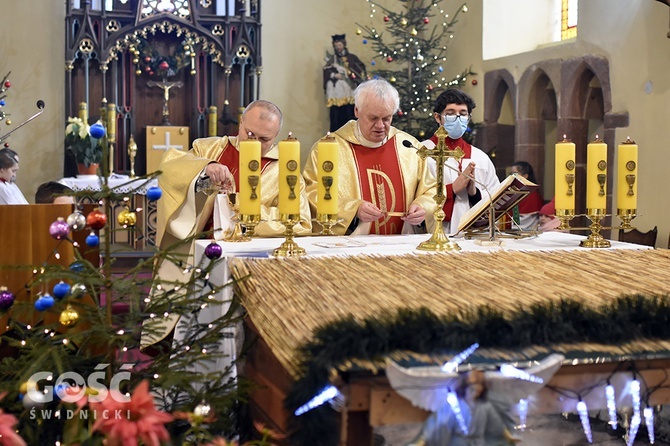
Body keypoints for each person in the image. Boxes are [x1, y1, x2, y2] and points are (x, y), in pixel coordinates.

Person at [143, 100, 312, 349]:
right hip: (198, 250)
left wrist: (247, 211)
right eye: (249, 134)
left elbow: (301, 221)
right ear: (241, 123)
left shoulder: (284, 170)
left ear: (276, 137)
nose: (253, 143)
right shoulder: (209, 149)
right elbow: (170, 169)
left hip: (249, 262)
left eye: (263, 139)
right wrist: (204, 169)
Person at [304, 78, 437, 236]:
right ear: (357, 111)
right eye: (373, 118)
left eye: (387, 118)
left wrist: (422, 207)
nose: (380, 126)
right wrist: (354, 209)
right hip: (350, 248)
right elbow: (312, 193)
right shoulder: (328, 148)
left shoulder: (408, 146)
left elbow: (432, 189)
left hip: (401, 245)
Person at [421, 89, 499, 235]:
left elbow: (495, 201)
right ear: (438, 117)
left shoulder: (480, 158)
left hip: (472, 236)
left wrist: (474, 193)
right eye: (450, 113)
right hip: (432, 236)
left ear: (468, 118)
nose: (457, 118)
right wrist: (451, 190)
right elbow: (413, 199)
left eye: (462, 114)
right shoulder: (422, 152)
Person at [323, 34, 367, 132]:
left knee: (350, 112)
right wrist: (334, 75)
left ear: (343, 45)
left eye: (340, 45)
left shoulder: (352, 57)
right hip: (337, 91)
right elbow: (326, 70)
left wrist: (353, 76)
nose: (338, 47)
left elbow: (360, 68)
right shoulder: (332, 59)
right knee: (336, 114)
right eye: (336, 45)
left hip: (349, 90)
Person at [510, 161, 543, 230]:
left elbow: (528, 219)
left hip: (525, 229)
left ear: (525, 176)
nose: (512, 177)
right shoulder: (514, 190)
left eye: (515, 174)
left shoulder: (531, 194)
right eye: (511, 174)